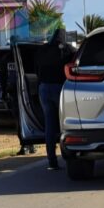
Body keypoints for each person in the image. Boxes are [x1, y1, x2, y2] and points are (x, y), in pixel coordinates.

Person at [35, 29, 75, 170]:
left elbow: (36, 68)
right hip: (60, 88)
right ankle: (68, 157)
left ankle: (52, 160)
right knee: (66, 124)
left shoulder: (42, 50)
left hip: (44, 88)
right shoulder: (69, 50)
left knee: (50, 126)